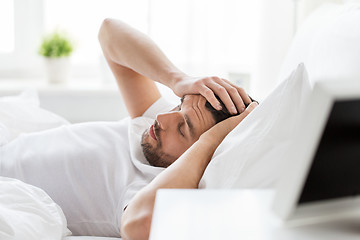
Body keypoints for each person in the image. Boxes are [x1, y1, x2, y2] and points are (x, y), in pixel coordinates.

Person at [0, 18, 257, 238]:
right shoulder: (157, 130)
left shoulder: (148, 183)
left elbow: (138, 228)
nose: (164, 118)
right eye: (179, 106)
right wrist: (178, 80)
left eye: (183, 128)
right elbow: (109, 32)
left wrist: (209, 142)